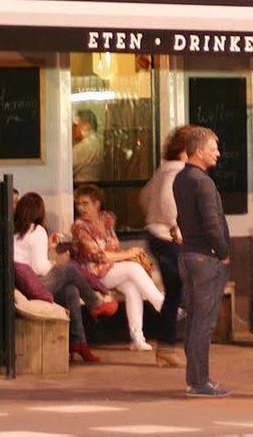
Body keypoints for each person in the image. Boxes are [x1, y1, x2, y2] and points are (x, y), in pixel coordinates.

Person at [12, 190, 117, 364]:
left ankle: (79, 342)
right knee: (70, 268)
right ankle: (96, 302)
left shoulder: (14, 231)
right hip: (32, 286)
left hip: (21, 284)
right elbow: (40, 267)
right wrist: (54, 265)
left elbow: (27, 261)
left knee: (71, 290)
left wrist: (48, 248)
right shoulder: (37, 230)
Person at [172, 124, 232, 398]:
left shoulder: (181, 179)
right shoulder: (203, 182)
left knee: (194, 317)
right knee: (203, 323)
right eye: (213, 149)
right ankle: (199, 382)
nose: (217, 154)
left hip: (187, 255)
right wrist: (222, 252)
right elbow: (212, 223)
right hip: (205, 258)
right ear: (198, 151)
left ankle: (195, 378)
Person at [69, 187, 165, 352]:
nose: (81, 208)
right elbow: (99, 256)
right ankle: (163, 305)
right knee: (133, 269)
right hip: (92, 275)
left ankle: (137, 338)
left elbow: (114, 248)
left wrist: (123, 255)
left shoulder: (106, 220)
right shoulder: (79, 227)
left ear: (97, 203)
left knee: (132, 287)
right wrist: (129, 253)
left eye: (85, 203)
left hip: (111, 270)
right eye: (78, 204)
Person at [139, 128, 189, 367]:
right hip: (168, 238)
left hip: (154, 235)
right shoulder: (178, 171)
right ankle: (171, 346)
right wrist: (174, 227)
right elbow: (169, 202)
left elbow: (144, 195)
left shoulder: (162, 170)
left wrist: (152, 216)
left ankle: (166, 347)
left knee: (174, 291)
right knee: (180, 290)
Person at [71, 108, 103, 183]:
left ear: (86, 126)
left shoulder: (83, 147)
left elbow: (65, 172)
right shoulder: (97, 143)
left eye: (75, 126)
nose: (72, 129)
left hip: (82, 190)